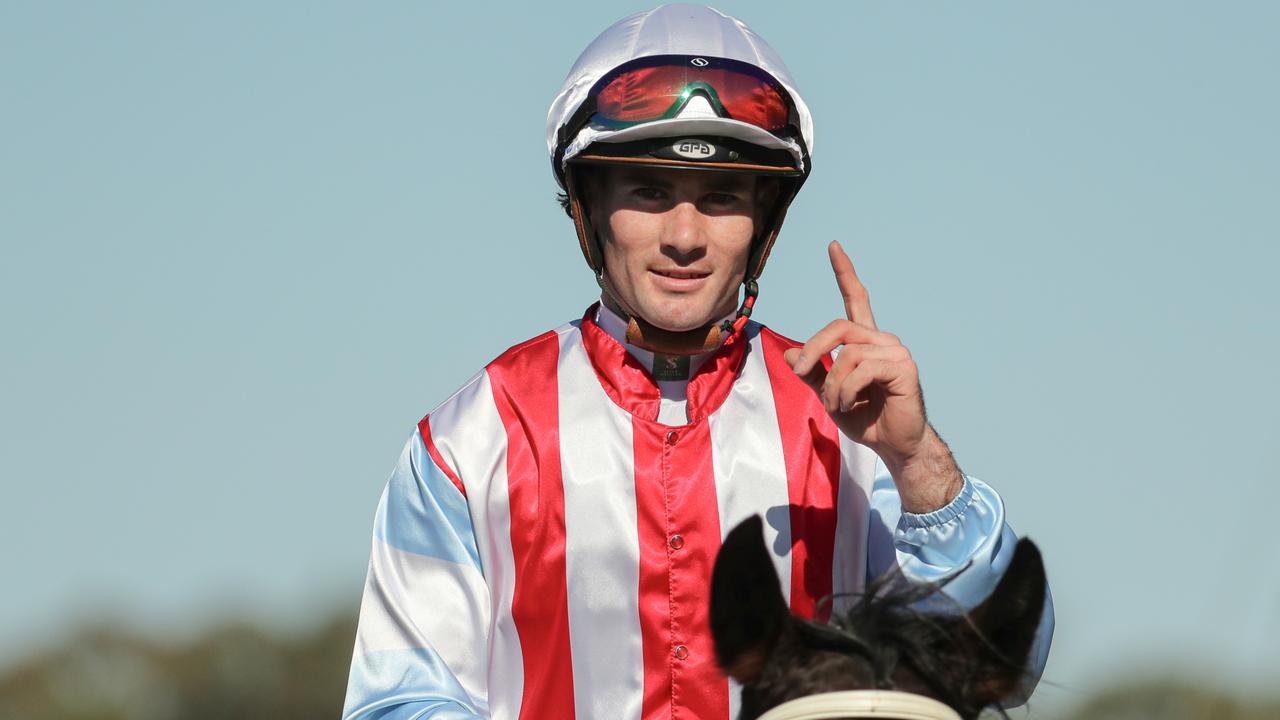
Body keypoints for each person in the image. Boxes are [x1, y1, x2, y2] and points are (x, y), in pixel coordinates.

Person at [342, 5, 1053, 719]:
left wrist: (919, 464)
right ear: (589, 205)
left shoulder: (851, 423)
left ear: (763, 221)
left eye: (720, 198)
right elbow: (397, 704)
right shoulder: (470, 440)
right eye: (649, 191)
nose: (686, 236)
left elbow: (997, 670)